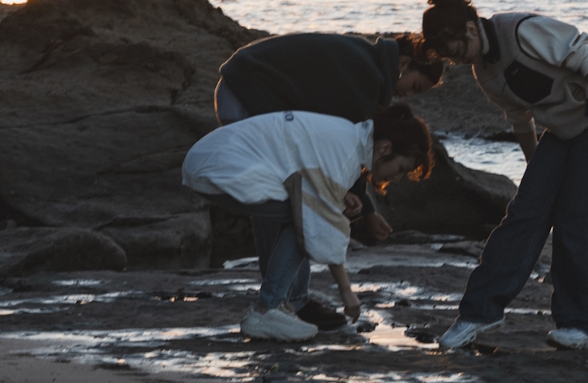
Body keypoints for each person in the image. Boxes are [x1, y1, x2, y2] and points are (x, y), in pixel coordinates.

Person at [418, 0, 588, 352]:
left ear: (469, 28)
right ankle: (479, 313)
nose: (455, 61)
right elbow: (520, 119)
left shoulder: (520, 30)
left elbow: (587, 58)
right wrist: (538, 173)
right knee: (523, 214)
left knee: (578, 222)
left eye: (454, 51)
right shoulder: (483, 72)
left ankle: (581, 326)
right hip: (561, 133)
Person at [182, 104, 434, 341]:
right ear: (385, 148)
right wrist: (346, 291)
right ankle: (265, 310)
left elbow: (301, 165)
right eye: (402, 168)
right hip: (218, 165)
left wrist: (336, 194)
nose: (398, 178)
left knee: (304, 211)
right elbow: (321, 226)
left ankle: (278, 303)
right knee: (303, 218)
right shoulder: (346, 153)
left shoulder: (346, 137)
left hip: (210, 159)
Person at [211, 31, 446, 250]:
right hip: (245, 92)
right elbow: (354, 147)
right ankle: (279, 285)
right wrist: (363, 205)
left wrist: (366, 209)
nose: (408, 95)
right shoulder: (367, 80)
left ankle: (281, 284)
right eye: (414, 87)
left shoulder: (367, 58)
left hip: (239, 83)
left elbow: (349, 144)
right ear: (403, 64)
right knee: (284, 190)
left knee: (290, 187)